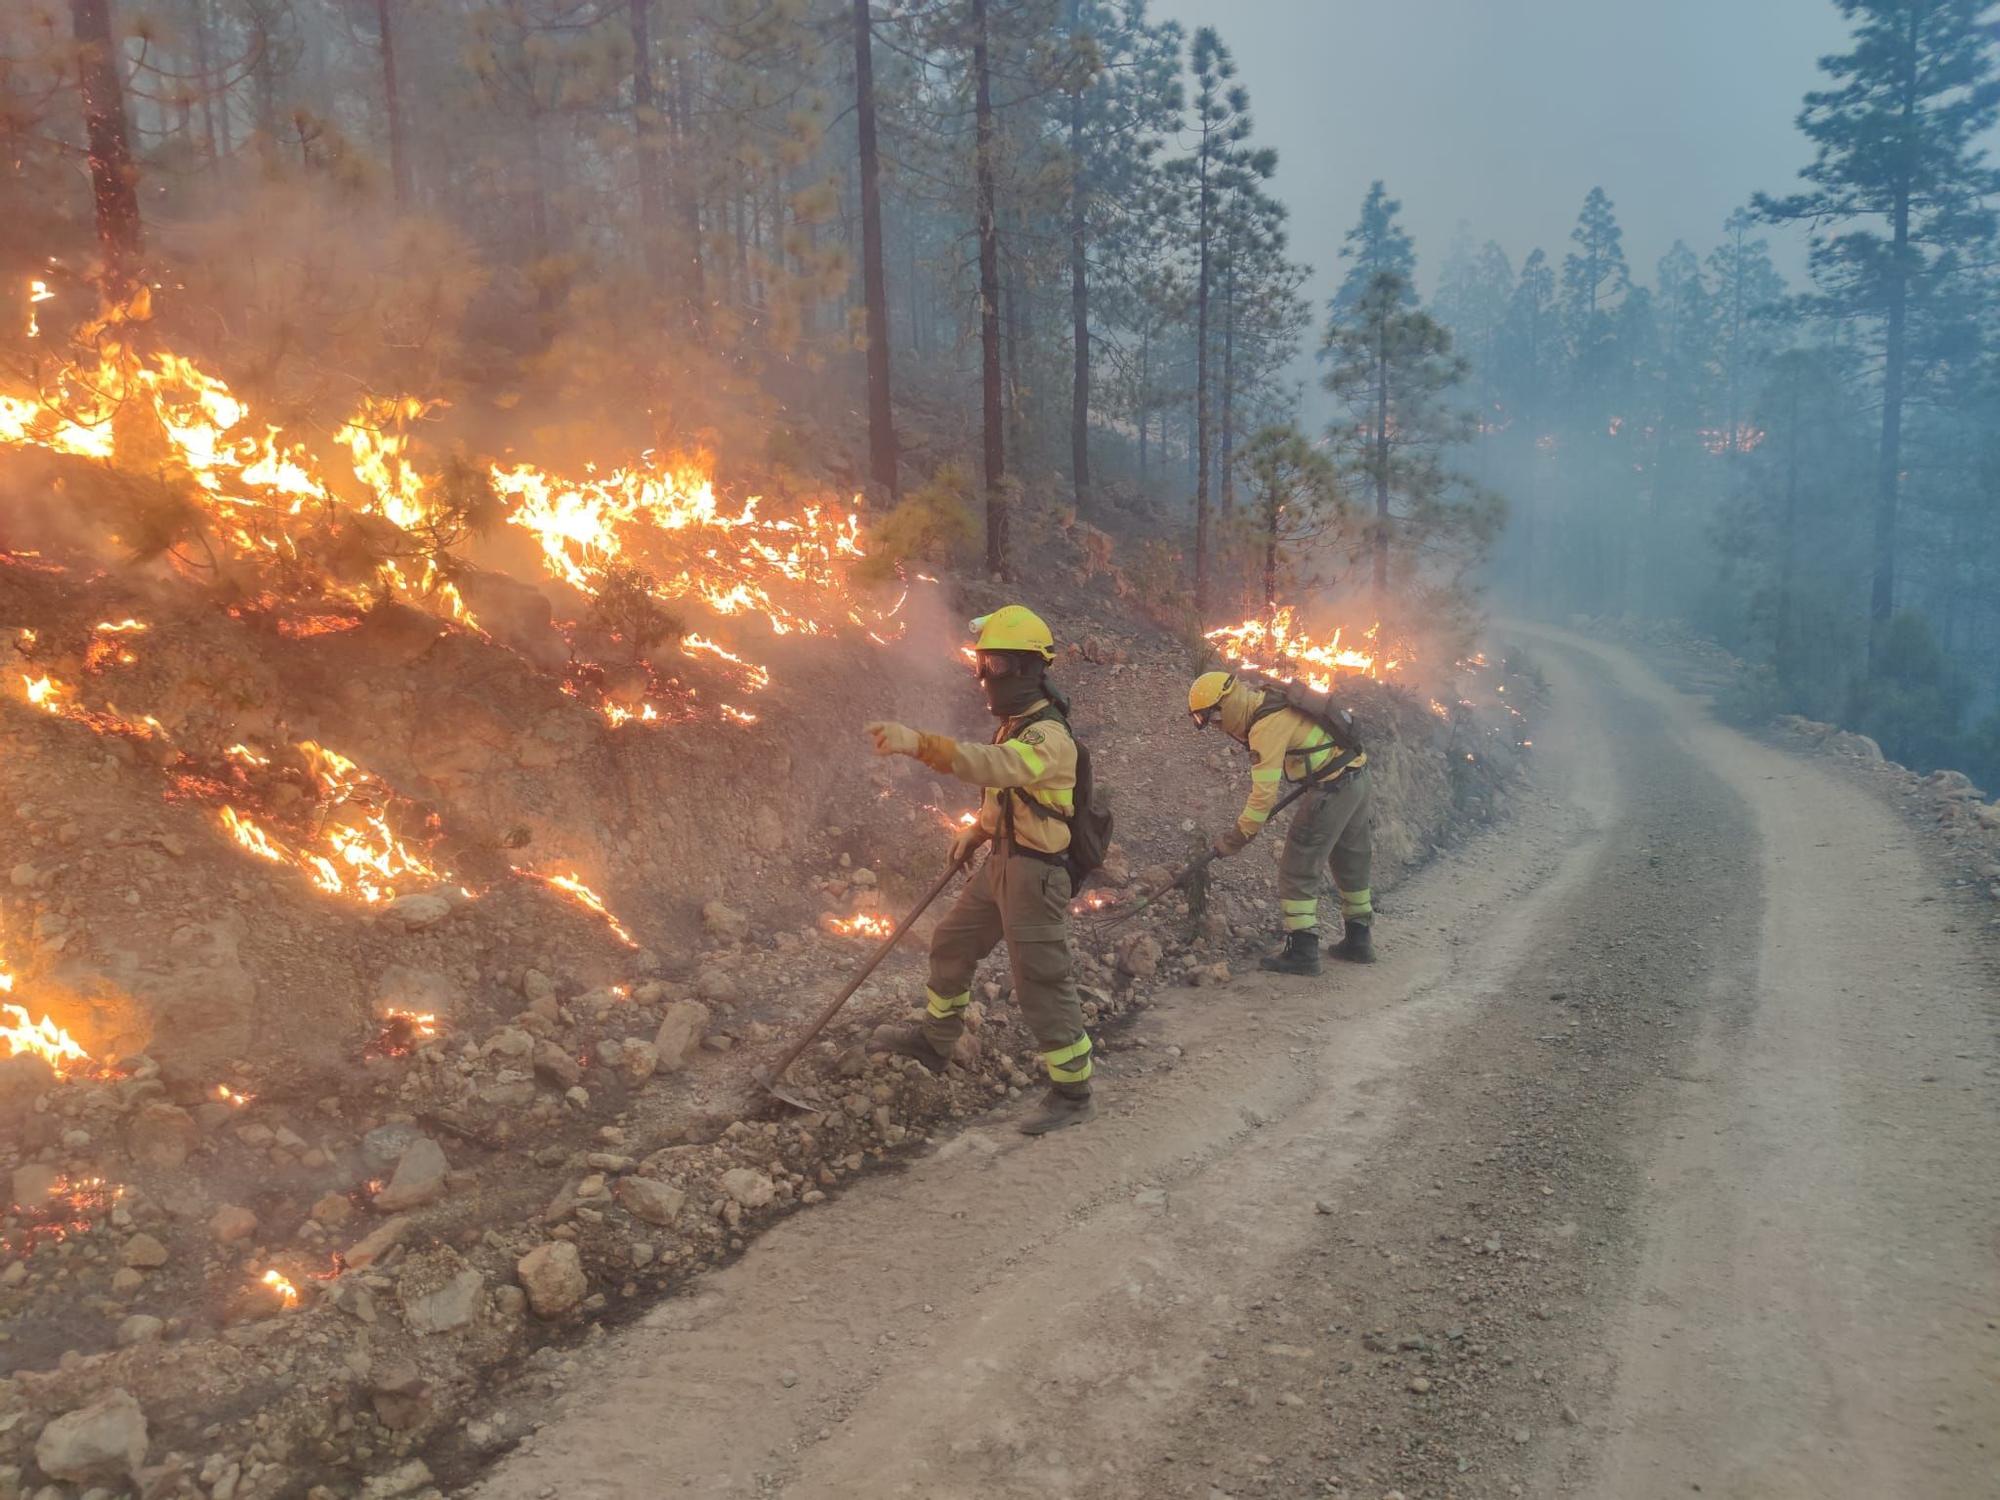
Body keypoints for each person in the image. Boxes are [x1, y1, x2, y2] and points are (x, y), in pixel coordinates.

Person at [863, 605, 1096, 1135]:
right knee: (951, 941)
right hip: (1003, 865)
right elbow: (1008, 792)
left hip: (1036, 877)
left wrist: (920, 744)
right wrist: (981, 830)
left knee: (1040, 979)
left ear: (1023, 668)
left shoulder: (1048, 737)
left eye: (990, 664)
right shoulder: (1018, 725)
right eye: (982, 663)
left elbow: (1002, 767)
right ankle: (936, 1041)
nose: (982, 675)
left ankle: (1073, 1092)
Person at [1187, 669, 1375, 976]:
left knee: (1297, 864)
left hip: (1333, 789)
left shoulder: (1265, 726)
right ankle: (1359, 939)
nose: (1220, 728)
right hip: (1357, 776)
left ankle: (1302, 950)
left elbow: (1262, 798)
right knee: (1351, 857)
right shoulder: (1269, 699)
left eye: (1217, 719)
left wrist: (1235, 839)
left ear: (1227, 703)